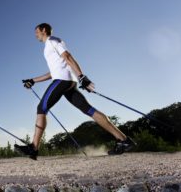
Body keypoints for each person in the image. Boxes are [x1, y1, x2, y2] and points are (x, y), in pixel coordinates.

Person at [16, 23, 136, 160]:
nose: (35, 34)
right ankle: (124, 140)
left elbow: (67, 56)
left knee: (41, 108)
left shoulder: (52, 41)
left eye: (36, 32)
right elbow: (53, 72)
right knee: (89, 110)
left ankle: (33, 147)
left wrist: (82, 76)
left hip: (62, 81)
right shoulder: (48, 47)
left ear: (43, 30)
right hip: (67, 82)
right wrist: (33, 80)